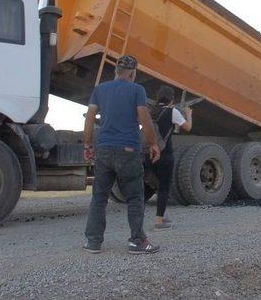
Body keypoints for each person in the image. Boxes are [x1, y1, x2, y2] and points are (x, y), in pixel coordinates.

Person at [83, 55, 161, 255]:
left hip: (104, 149)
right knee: (135, 196)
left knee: (99, 197)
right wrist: (153, 143)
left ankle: (93, 242)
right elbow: (145, 118)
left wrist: (87, 145)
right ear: (133, 73)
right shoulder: (137, 90)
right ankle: (137, 241)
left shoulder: (100, 90)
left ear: (116, 71)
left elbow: (90, 118)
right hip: (128, 149)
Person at [149, 86, 193, 230]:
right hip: (165, 154)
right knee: (164, 188)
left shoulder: (150, 111)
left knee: (154, 185)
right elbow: (188, 127)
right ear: (172, 99)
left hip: (149, 154)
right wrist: (188, 114)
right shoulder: (172, 111)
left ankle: (161, 215)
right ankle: (158, 222)